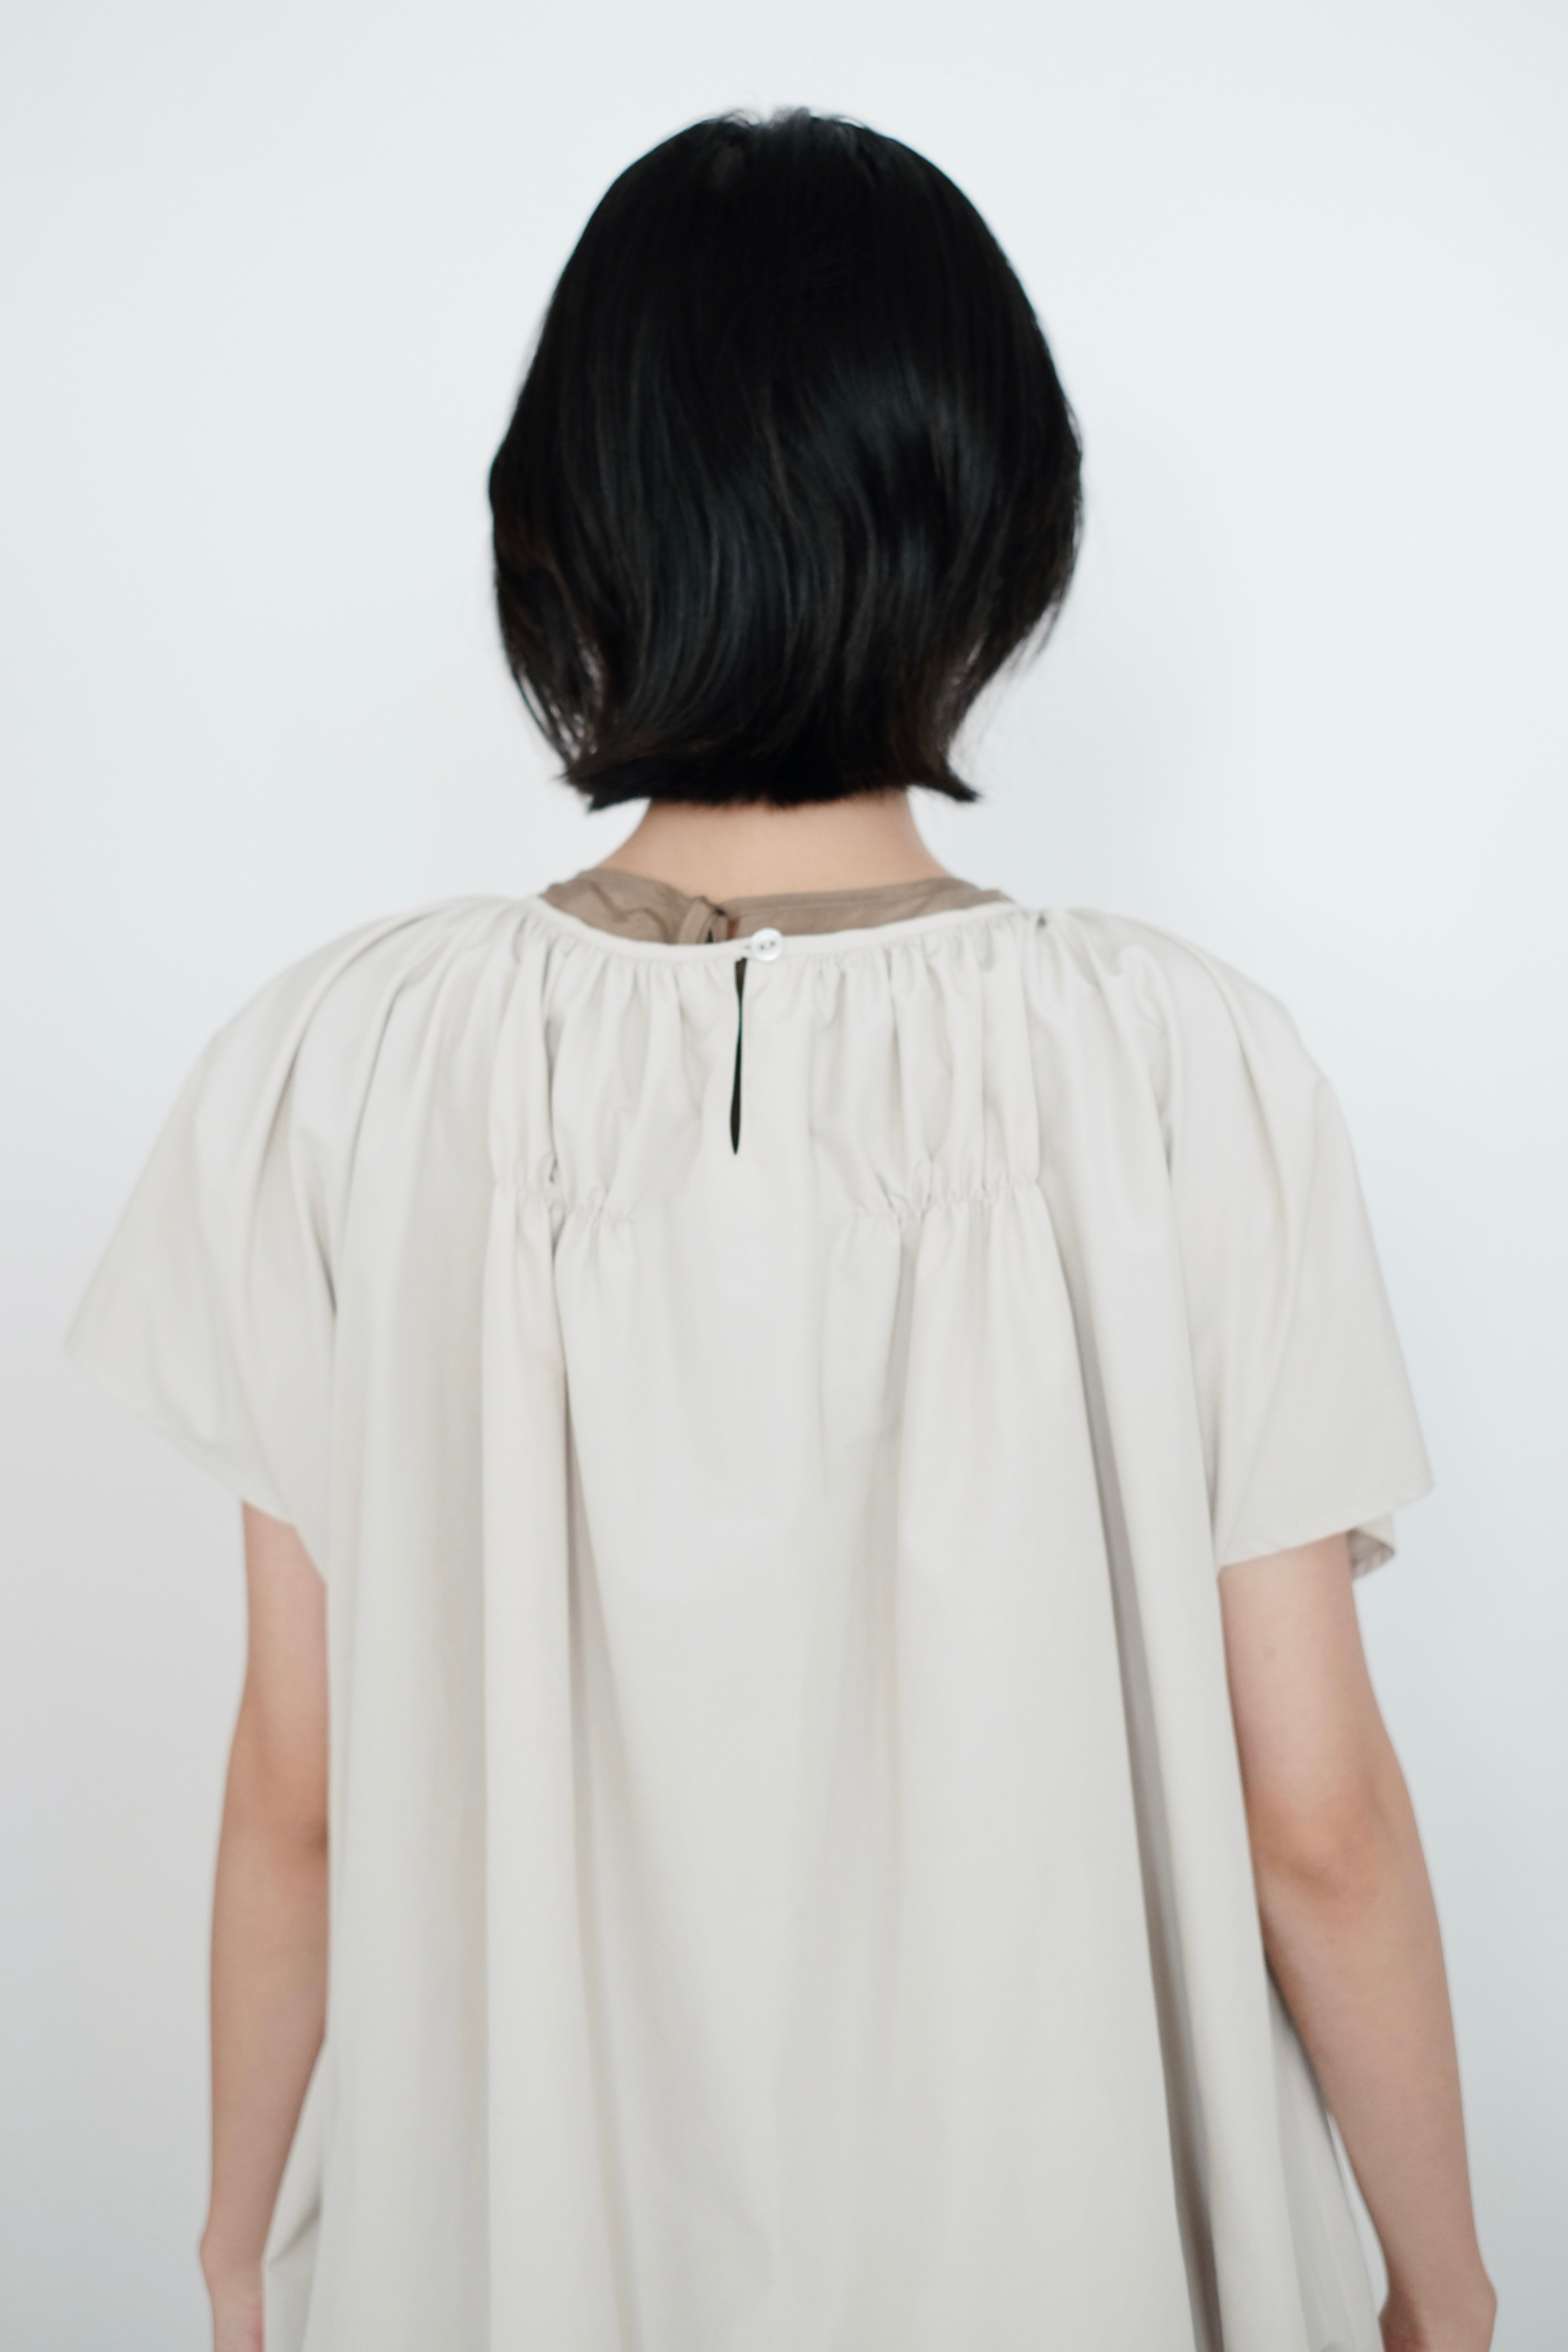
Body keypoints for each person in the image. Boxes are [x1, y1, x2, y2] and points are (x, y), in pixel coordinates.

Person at [62, 109, 1494, 2352]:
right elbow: (1316, 1815)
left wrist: (238, 2250)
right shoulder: (1183, 1074)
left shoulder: (340, 1073)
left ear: (565, 530)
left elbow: (300, 1795)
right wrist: (1446, 2284)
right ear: (994, 523)